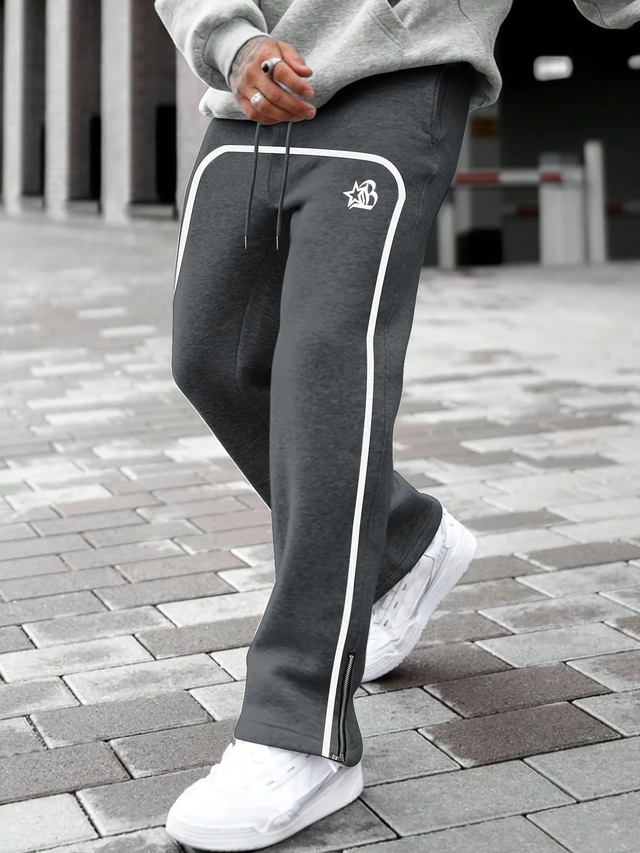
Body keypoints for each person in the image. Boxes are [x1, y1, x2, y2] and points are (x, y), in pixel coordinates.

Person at [155, 1, 639, 849]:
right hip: (247, 87)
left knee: (324, 374)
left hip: (396, 68)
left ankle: (299, 725)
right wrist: (226, 38)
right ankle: (404, 542)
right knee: (214, 361)